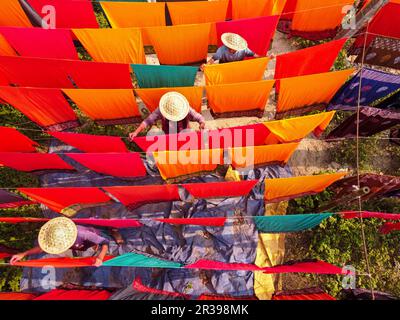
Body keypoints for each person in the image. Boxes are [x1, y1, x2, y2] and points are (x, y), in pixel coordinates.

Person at [10, 217, 114, 267]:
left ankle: (113, 231)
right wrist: (23, 254)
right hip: (81, 246)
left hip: (95, 240)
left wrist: (100, 257)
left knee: (110, 249)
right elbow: (41, 248)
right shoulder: (54, 237)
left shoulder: (82, 233)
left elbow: (105, 242)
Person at [129, 92, 205, 140]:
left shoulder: (186, 109)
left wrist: (202, 124)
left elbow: (199, 117)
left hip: (185, 136)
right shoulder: (161, 110)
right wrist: (136, 132)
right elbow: (147, 121)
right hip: (168, 137)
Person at [201, 33, 274, 70]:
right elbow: (213, 59)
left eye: (234, 47)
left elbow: (256, 56)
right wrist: (206, 65)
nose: (232, 48)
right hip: (224, 69)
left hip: (237, 69)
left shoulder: (244, 50)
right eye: (231, 46)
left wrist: (267, 57)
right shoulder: (222, 49)